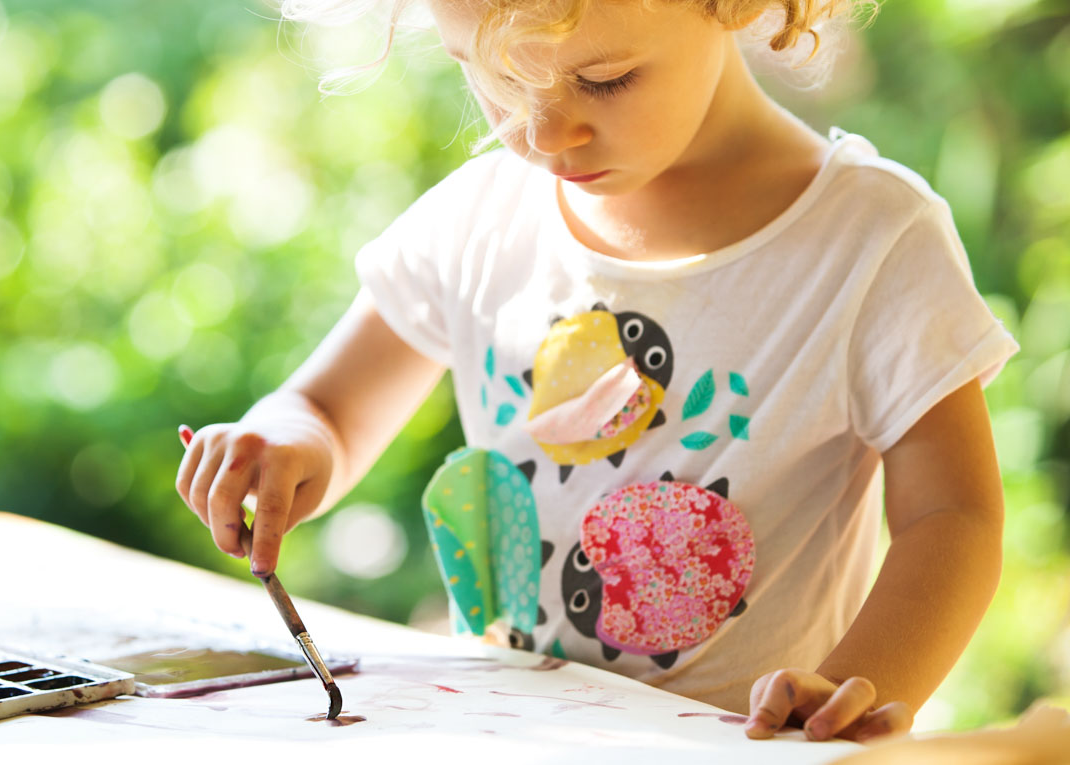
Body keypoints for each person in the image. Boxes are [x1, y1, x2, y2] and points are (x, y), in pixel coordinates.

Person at [175, 0, 1018, 744]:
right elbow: (329, 406)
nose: (542, 137)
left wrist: (849, 688)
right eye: (496, 82)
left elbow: (954, 516)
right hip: (502, 732)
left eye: (605, 80)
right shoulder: (482, 217)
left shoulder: (871, 241)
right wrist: (284, 441)